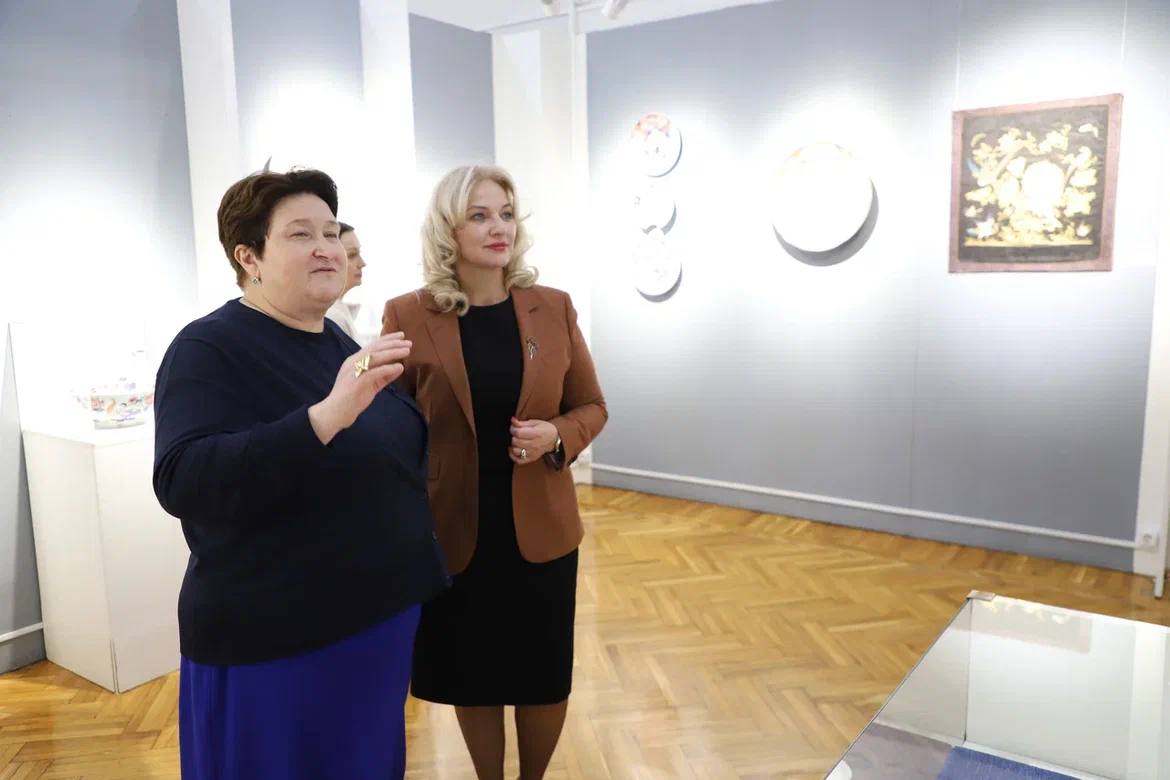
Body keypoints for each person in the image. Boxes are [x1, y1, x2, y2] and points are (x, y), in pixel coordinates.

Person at [153, 168, 448, 780]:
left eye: (332, 232)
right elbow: (185, 478)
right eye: (300, 234)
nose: (326, 247)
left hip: (372, 626)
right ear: (249, 257)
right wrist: (323, 418)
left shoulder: (335, 342)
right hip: (277, 642)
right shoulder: (207, 348)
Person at [382, 165, 607, 780]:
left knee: (543, 675)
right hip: (453, 530)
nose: (498, 227)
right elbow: (390, 427)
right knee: (472, 675)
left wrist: (556, 436)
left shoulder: (553, 307)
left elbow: (592, 405)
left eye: (506, 213)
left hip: (542, 531)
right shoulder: (407, 314)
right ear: (448, 229)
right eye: (479, 215)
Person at [325, 221, 366, 341]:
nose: (362, 263)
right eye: (352, 255)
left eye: (359, 253)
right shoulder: (332, 317)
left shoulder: (340, 310)